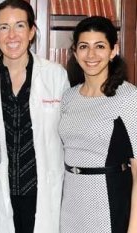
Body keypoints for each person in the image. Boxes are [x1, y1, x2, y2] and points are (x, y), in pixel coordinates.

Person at [0, 0, 70, 233]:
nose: (12, 35)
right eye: (4, 27)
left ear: (32, 31)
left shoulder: (54, 75)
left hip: (43, 189)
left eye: (19, 26)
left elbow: (68, 133)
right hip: (0, 190)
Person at [59, 16, 137, 233]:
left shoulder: (129, 97)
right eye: (84, 46)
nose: (91, 55)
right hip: (71, 205)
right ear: (75, 52)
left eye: (100, 46)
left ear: (113, 51)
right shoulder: (68, 97)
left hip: (108, 204)